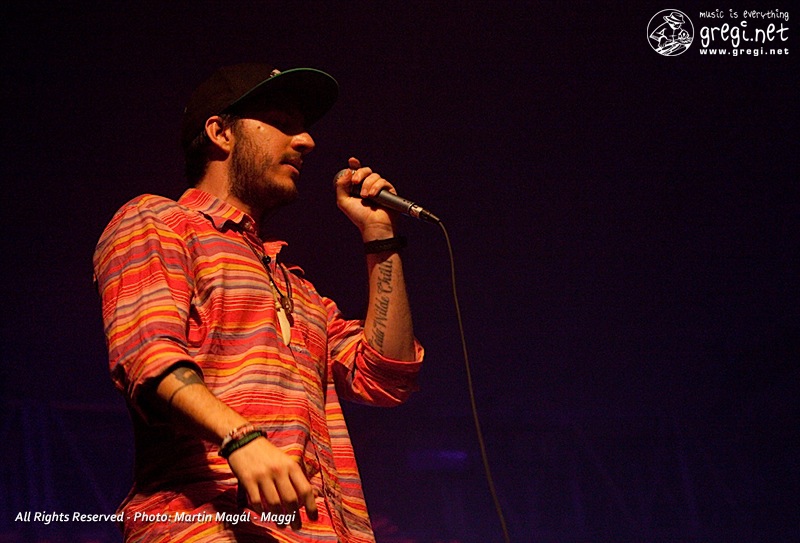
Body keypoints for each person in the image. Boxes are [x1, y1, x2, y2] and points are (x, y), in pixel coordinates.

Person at [93, 63, 424, 542]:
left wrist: (380, 236)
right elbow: (148, 356)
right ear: (220, 133)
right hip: (206, 521)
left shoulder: (297, 289)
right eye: (281, 122)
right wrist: (240, 436)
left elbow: (386, 376)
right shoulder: (159, 222)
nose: (306, 141)